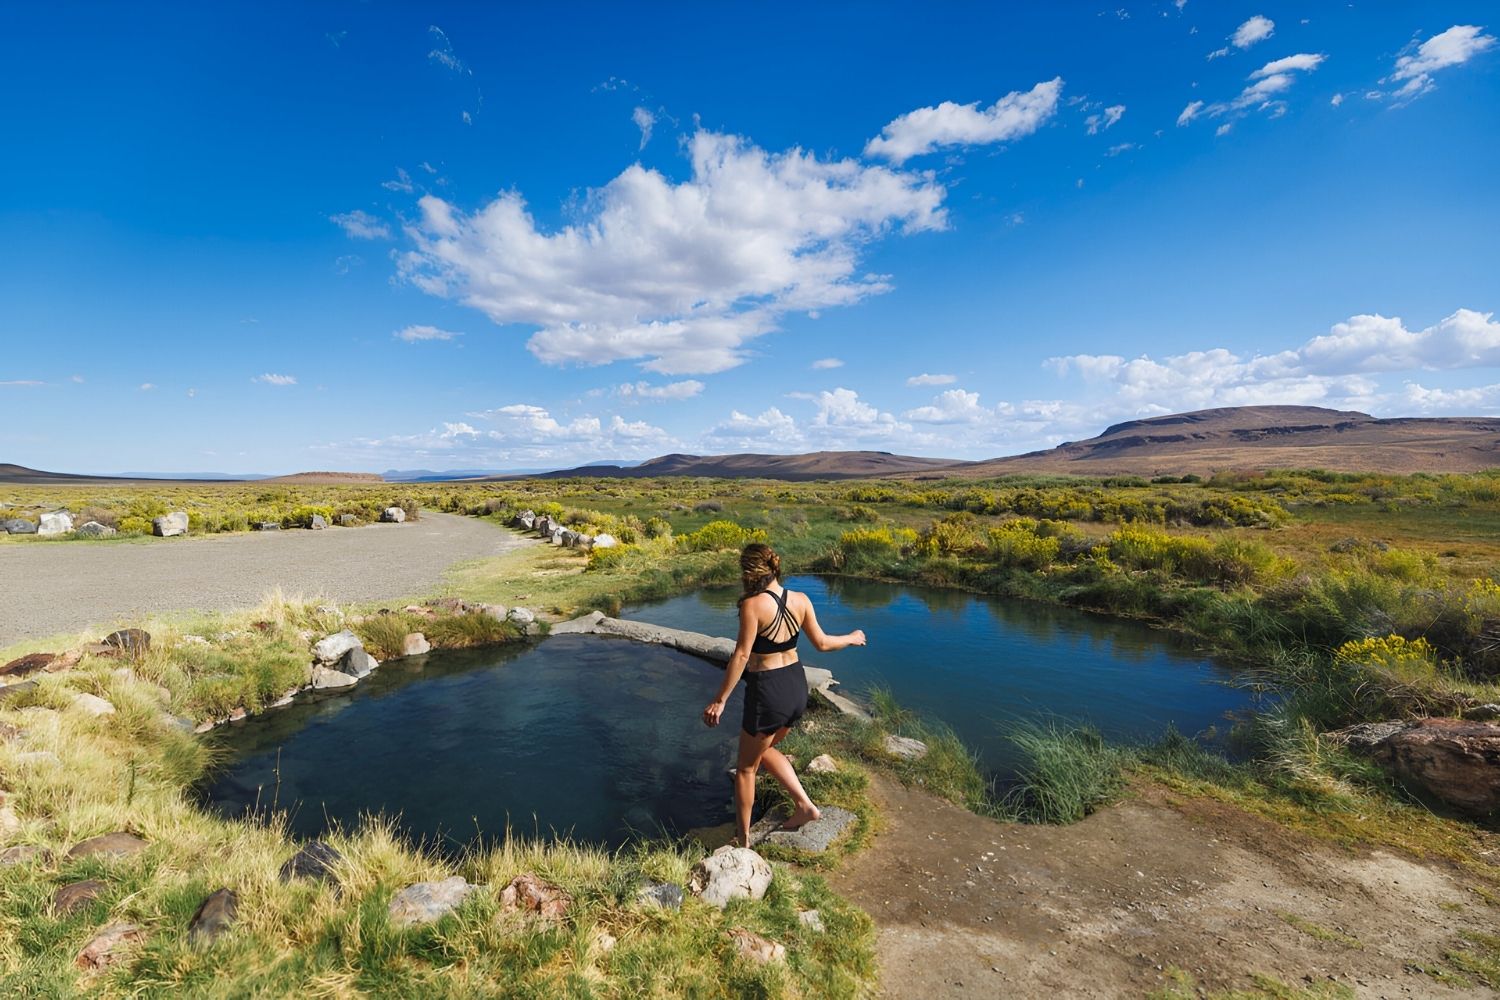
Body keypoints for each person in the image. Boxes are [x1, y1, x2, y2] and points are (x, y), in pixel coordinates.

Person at [702, 542, 866, 848]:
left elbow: (740, 656)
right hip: (795, 686)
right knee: (762, 750)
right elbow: (823, 643)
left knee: (746, 769)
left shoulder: (753, 606)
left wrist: (720, 699)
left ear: (750, 571)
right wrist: (852, 637)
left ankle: (743, 841)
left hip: (768, 691)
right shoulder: (800, 599)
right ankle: (805, 806)